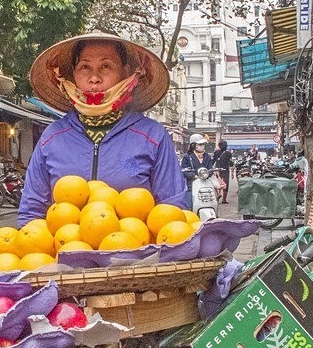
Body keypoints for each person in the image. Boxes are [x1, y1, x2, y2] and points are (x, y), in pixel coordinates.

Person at [19, 32, 187, 226]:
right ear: (72, 75)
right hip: (66, 250)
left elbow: (173, 214)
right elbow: (31, 216)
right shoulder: (52, 137)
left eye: (106, 66)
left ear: (126, 72)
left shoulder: (153, 136)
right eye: (85, 67)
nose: (94, 78)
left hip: (136, 251)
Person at [181, 134, 214, 208]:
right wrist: (194, 176)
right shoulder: (187, 157)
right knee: (189, 204)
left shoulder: (207, 156)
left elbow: (210, 169)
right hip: (192, 184)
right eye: (200, 144)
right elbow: (184, 171)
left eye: (203, 144)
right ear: (194, 145)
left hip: (206, 183)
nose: (202, 146)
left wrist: (207, 174)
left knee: (213, 198)